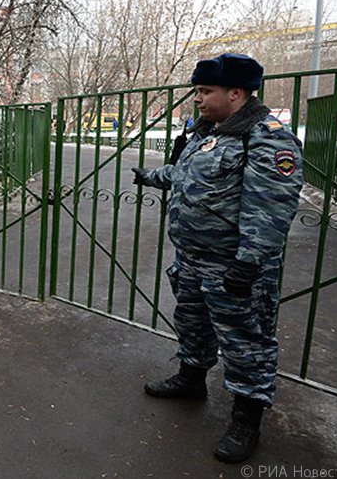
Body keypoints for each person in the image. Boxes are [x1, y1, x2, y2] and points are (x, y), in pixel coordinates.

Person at [131, 53, 303, 463]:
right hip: (192, 258)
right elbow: (187, 175)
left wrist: (248, 263)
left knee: (245, 342)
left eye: (205, 92)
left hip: (234, 266)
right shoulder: (212, 131)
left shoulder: (267, 136)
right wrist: (153, 176)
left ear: (236, 93)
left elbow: (272, 207)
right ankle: (192, 378)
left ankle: (247, 417)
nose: (198, 99)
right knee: (191, 322)